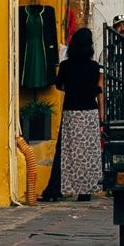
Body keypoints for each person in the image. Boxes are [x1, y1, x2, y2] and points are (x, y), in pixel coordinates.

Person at [45, 25, 103, 201]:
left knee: (66, 151)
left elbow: (59, 86)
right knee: (87, 153)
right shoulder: (94, 67)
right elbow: (98, 89)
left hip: (71, 112)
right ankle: (84, 191)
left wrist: (72, 88)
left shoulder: (65, 66)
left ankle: (56, 189)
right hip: (89, 113)